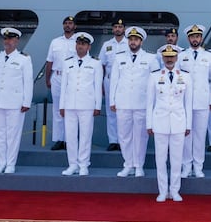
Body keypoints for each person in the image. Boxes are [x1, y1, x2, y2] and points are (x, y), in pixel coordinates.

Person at [109, 26, 158, 178]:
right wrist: (113, 100)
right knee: (124, 135)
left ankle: (138, 165)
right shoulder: (119, 57)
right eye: (130, 39)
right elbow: (114, 81)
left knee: (140, 136)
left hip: (142, 103)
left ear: (141, 42)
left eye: (136, 39)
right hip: (123, 102)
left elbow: (155, 83)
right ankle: (128, 164)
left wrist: (154, 104)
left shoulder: (151, 58)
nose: (133, 42)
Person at [147, 45, 192, 202]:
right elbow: (149, 103)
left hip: (179, 122)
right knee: (160, 160)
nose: (169, 59)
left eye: (172, 56)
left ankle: (175, 191)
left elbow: (189, 103)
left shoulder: (185, 76)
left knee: (176, 159)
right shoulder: (154, 76)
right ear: (162, 58)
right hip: (159, 122)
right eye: (166, 56)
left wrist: (188, 125)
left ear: (177, 57)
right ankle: (162, 191)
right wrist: (149, 124)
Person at [0, 27, 33, 174]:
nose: (8, 41)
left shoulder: (24, 59)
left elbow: (28, 82)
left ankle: (11, 163)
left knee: (13, 134)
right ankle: (1, 163)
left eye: (11, 39)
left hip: (15, 102)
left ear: (17, 41)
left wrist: (27, 102)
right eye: (6, 39)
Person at [178, 24, 211, 178]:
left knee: (200, 135)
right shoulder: (181, 55)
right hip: (184, 101)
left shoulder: (209, 56)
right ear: (188, 38)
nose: (195, 39)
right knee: (186, 134)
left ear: (201, 38)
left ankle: (198, 166)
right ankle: (186, 166)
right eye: (192, 37)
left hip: (203, 101)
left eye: (197, 36)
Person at [60, 32, 103, 176]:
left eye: (83, 44)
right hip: (70, 104)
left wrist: (97, 106)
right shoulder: (67, 62)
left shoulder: (95, 63)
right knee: (70, 136)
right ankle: (72, 164)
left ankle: (83, 164)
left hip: (87, 104)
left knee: (85, 136)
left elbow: (98, 86)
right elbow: (63, 86)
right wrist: (62, 105)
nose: (80, 47)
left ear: (89, 46)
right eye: (78, 44)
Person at [44, 15, 77, 151]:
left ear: (75, 26)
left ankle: (70, 140)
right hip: (57, 76)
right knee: (57, 109)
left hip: (73, 77)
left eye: (70, 23)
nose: (68, 25)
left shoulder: (79, 42)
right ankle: (59, 139)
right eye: (66, 23)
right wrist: (47, 78)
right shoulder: (55, 42)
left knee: (71, 109)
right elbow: (49, 61)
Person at [100, 19, 127, 151]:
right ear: (112, 29)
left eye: (120, 27)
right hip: (109, 80)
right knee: (111, 112)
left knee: (123, 112)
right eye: (115, 26)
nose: (118, 29)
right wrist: (101, 84)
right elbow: (102, 66)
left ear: (124, 29)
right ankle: (113, 140)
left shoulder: (129, 43)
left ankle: (123, 141)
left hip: (124, 81)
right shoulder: (107, 45)